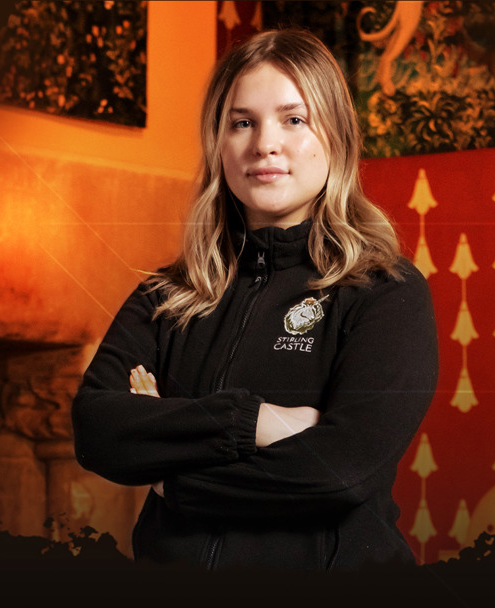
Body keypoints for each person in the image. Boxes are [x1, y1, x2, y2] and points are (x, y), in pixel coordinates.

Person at [71, 28, 438, 571]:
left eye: (294, 119)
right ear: (219, 142)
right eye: (242, 122)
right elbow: (98, 429)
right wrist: (255, 422)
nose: (265, 143)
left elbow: (338, 472)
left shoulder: (387, 292)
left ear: (335, 134)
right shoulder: (168, 295)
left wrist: (173, 473)